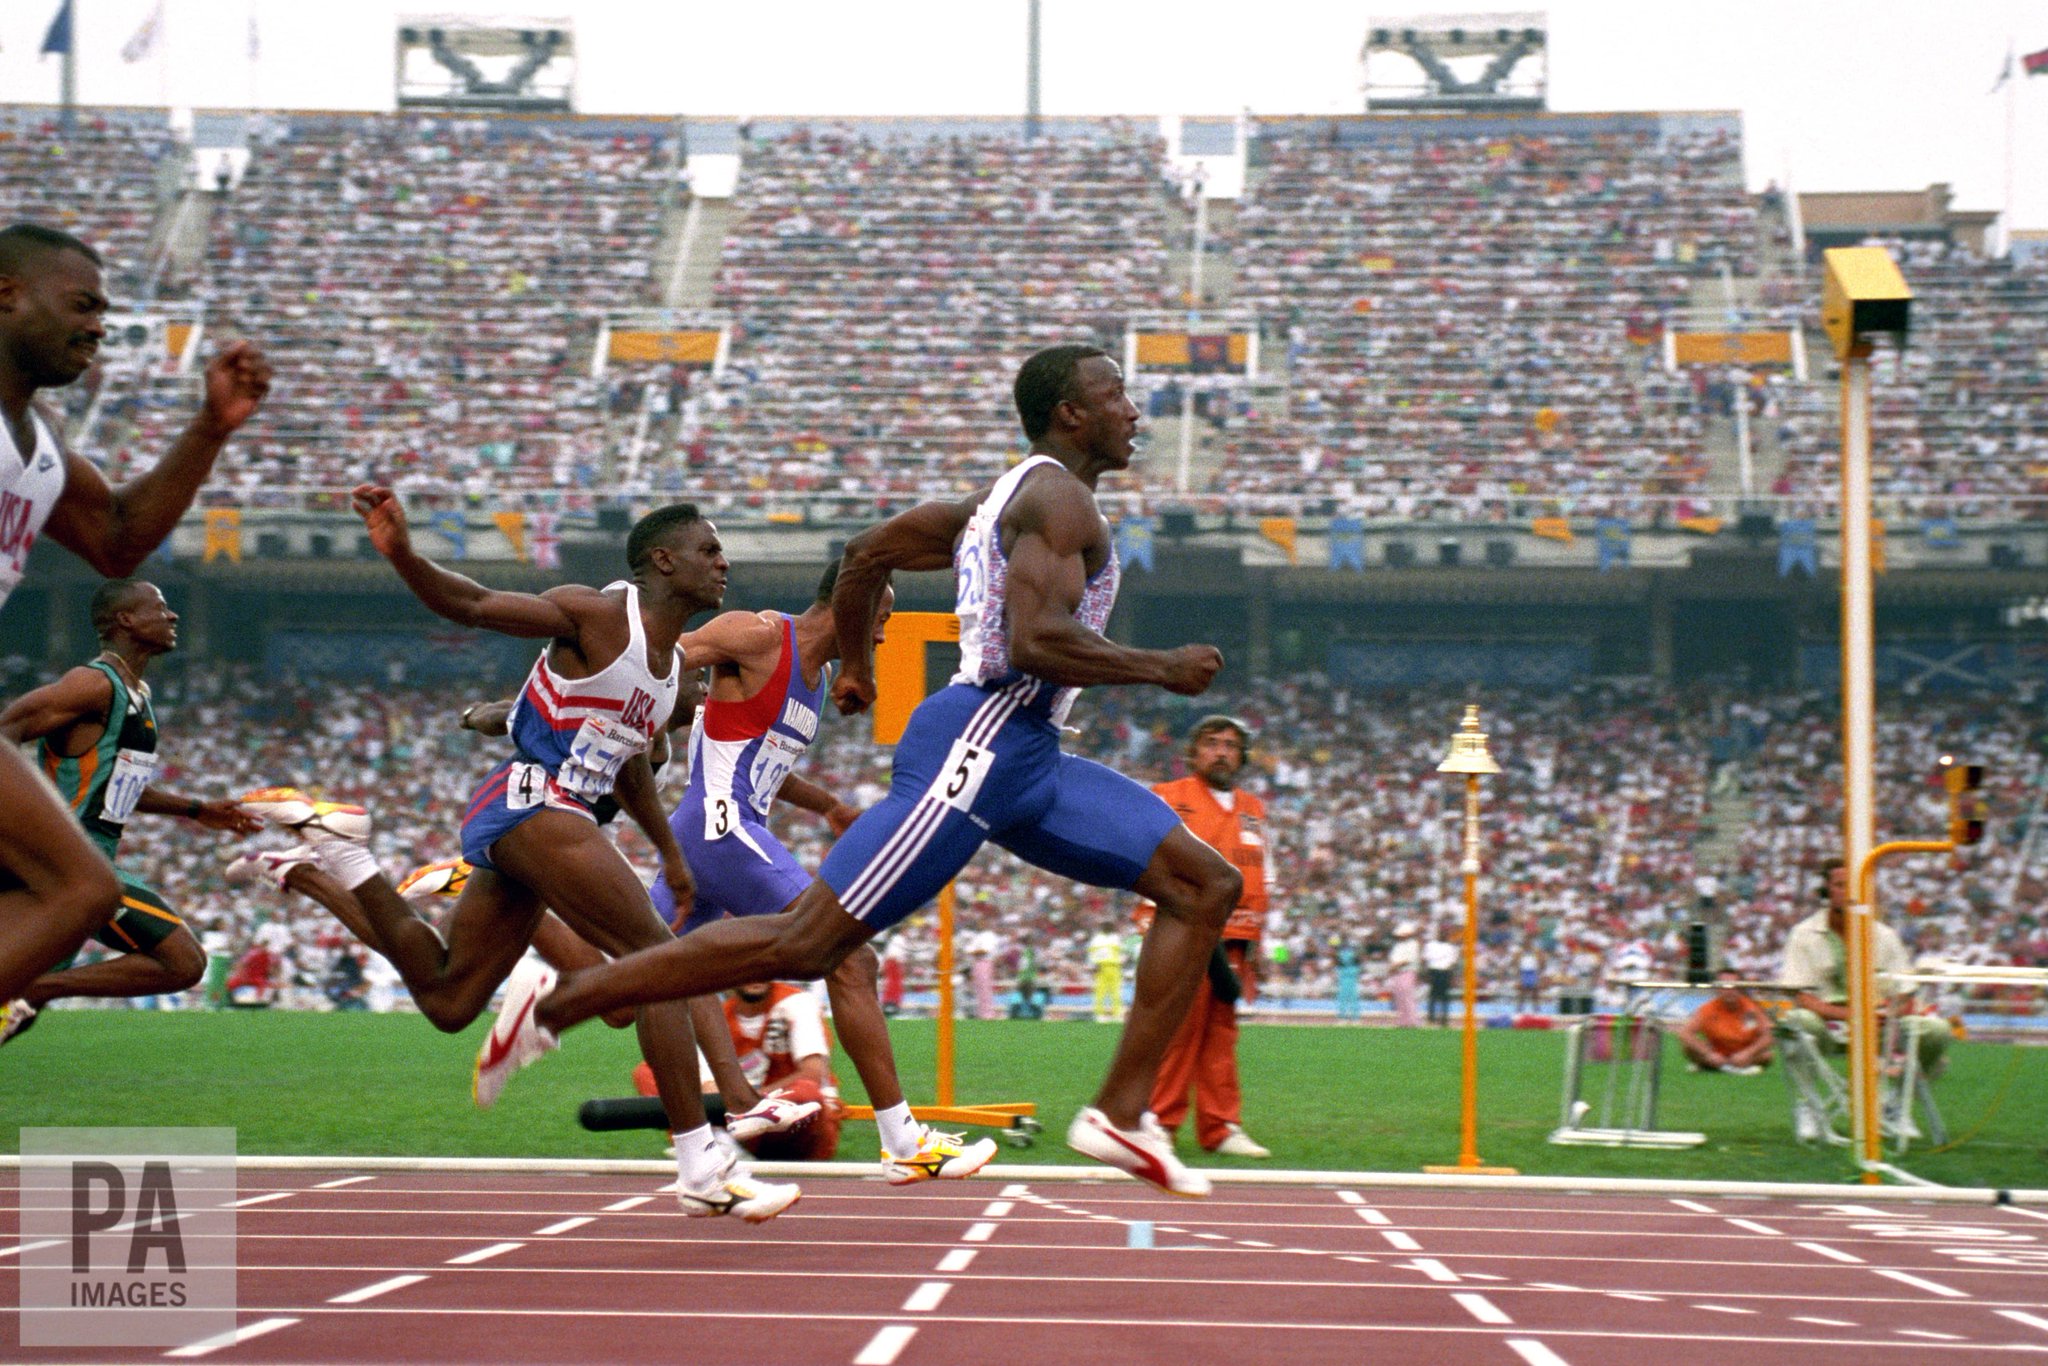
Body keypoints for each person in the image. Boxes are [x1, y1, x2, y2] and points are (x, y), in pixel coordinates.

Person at [482, 343, 1242, 1198]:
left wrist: (857, 669)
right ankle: (557, 1003)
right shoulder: (1058, 499)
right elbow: (1033, 643)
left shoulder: (997, 500)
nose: (1135, 413)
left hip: (1030, 751)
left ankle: (1118, 1114)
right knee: (809, 942)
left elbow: (864, 554)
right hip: (982, 740)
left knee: (1203, 881)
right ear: (1072, 414)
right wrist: (1159, 666)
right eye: (1118, 396)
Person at [248, 487, 801, 1224]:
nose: (724, 562)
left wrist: (668, 851)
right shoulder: (600, 614)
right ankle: (700, 1162)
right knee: (658, 960)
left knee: (448, 999)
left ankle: (342, 860)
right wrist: (403, 553)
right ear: (662, 561)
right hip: (533, 803)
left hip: (547, 820)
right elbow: (475, 605)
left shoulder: (669, 674)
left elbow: (630, 765)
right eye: (709, 550)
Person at [643, 564, 993, 1181]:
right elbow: (648, 661)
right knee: (849, 957)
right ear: (850, 607)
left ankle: (544, 961)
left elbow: (763, 761)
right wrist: (637, 719)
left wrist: (826, 804)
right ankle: (903, 1141)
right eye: (879, 622)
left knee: (645, 979)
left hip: (714, 835)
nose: (882, 638)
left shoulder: (822, 673)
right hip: (719, 831)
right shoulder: (757, 637)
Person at [0, 222, 271, 1005]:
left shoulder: (40, 446)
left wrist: (211, 427)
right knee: (77, 887)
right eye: (81, 304)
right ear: (7, 295)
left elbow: (118, 541)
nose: (97, 326)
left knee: (77, 890)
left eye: (104, 311)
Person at [0, 579, 264, 1042]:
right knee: (183, 961)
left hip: (90, 860)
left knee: (15, 1006)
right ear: (126, 620)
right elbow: (7, 729)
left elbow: (116, 789)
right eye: (160, 607)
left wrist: (196, 809)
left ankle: (36, 987)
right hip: (66, 864)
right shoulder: (93, 683)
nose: (173, 616)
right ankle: (37, 987)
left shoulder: (134, 693)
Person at [1141, 714, 1273, 1160]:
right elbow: (1155, 864)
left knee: (1221, 1036)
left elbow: (1257, 875)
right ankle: (1159, 1121)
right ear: (1194, 751)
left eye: (1231, 745)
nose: (1222, 751)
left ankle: (1220, 1126)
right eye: (1212, 742)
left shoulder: (1253, 807)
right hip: (1185, 930)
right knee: (1177, 1030)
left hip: (1236, 937)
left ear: (1242, 755)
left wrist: (1256, 943)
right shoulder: (1169, 797)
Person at [1779, 859, 1951, 1141]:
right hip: (1828, 1025)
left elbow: (1906, 993)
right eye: (1839, 885)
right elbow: (1799, 995)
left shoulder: (1885, 936)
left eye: (1855, 885)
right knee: (1798, 1022)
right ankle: (1809, 1105)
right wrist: (1847, 1016)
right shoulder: (1803, 934)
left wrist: (1888, 1013)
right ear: (1826, 890)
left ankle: (1895, 1104)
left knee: (1937, 1030)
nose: (1847, 892)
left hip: (1880, 1025)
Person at [634, 980, 844, 1161]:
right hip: (740, 1120)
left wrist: (748, 1103)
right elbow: (708, 1085)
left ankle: (720, 1141)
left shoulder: (796, 1003)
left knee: (806, 1092)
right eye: (748, 967)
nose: (757, 976)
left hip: (796, 1124)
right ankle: (711, 1142)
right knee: (649, 1071)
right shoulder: (717, 1017)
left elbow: (812, 1074)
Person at [1675, 968, 1773, 1074]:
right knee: (1688, 1049)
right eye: (1724, 986)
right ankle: (1730, 1067)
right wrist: (1708, 1053)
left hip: (1743, 1052)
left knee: (1766, 1056)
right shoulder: (1708, 1009)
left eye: (1733, 986)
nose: (1729, 991)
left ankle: (1714, 1067)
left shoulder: (1751, 1009)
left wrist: (1748, 1053)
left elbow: (1769, 1035)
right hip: (1716, 1052)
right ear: (1717, 988)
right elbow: (1685, 1033)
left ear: (1740, 988)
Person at [1086, 922, 1125, 1022]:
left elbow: (1122, 952)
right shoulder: (1097, 939)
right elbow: (1091, 953)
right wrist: (1093, 965)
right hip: (1101, 967)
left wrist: (1121, 962)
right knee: (1100, 992)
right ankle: (1099, 1015)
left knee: (1116, 992)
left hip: (1114, 967)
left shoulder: (1116, 937)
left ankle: (1117, 1015)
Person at [1387, 922, 1421, 1027]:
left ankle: (1412, 1021)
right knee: (1399, 997)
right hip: (1397, 972)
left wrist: (1396, 965)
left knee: (1407, 996)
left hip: (1407, 971)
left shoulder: (1413, 944)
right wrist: (1393, 966)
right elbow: (1393, 958)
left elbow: (1409, 959)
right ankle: (1402, 1021)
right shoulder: (1398, 945)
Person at [1423, 927, 1458, 1027]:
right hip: (1433, 971)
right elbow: (1426, 960)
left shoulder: (1451, 947)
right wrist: (1427, 973)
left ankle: (1444, 1020)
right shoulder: (1431, 945)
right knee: (1433, 997)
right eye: (1441, 933)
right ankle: (1431, 1019)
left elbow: (1452, 963)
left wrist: (1451, 976)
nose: (1443, 935)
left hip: (1445, 972)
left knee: (1445, 997)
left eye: (1445, 933)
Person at [1332, 940, 1362, 1022]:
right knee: (1344, 1000)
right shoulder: (1342, 964)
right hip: (1344, 983)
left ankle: (1354, 1018)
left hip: (1351, 983)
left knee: (1352, 1000)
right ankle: (1344, 1017)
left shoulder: (1353, 965)